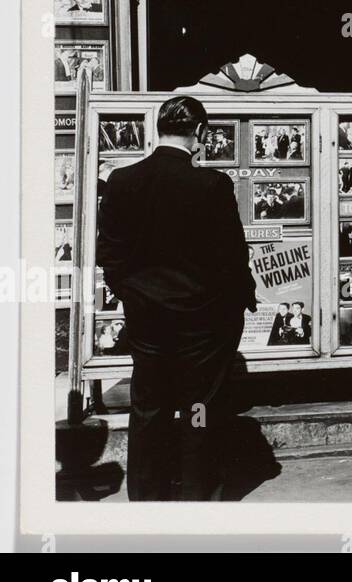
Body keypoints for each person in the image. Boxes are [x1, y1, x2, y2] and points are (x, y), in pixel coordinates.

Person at [95, 95, 256, 501]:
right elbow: (233, 258)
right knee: (199, 407)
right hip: (202, 324)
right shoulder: (212, 184)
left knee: (148, 407)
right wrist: (234, 305)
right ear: (199, 133)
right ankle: (196, 496)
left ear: (157, 129)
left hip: (147, 320)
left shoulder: (122, 181)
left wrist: (133, 295)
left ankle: (147, 500)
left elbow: (108, 254)